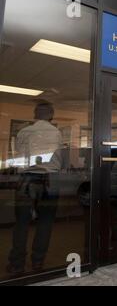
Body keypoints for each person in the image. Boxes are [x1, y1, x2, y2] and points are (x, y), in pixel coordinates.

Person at [7, 102, 63, 275]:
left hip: (27, 179)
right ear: (51, 115)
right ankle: (38, 262)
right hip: (51, 180)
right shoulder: (57, 133)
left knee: (22, 223)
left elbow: (18, 155)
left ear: (35, 114)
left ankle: (17, 264)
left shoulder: (24, 131)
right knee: (45, 222)